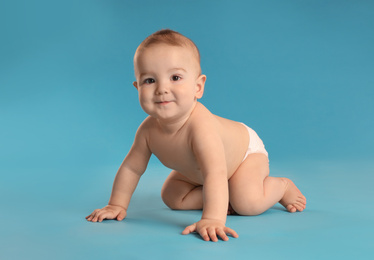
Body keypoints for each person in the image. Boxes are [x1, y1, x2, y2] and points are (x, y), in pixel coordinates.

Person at [86, 29, 306, 242]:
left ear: (198, 87)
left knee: (247, 203)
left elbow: (215, 173)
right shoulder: (147, 131)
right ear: (137, 88)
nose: (162, 88)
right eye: (150, 80)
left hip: (243, 156)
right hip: (200, 171)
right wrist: (117, 204)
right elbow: (132, 168)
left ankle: (282, 186)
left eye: (175, 77)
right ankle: (223, 196)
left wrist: (212, 218)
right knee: (172, 197)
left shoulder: (201, 127)